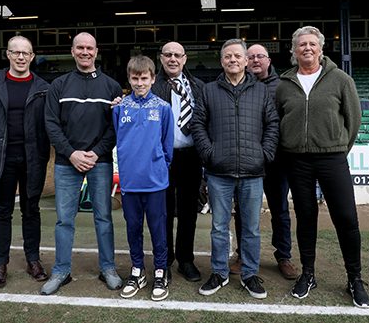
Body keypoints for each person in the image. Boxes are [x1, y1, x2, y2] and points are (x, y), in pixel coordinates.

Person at [275, 25, 369, 308]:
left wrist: (336, 147)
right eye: (301, 44)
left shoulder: (340, 79)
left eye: (311, 44)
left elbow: (352, 121)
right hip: (297, 160)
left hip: (332, 158)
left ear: (320, 48)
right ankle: (308, 273)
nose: (306, 48)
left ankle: (354, 278)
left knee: (346, 218)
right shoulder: (284, 84)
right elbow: (280, 120)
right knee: (305, 217)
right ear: (293, 50)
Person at [191, 38, 279, 299]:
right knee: (219, 227)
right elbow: (197, 125)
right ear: (222, 61)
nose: (233, 60)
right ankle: (219, 272)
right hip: (219, 172)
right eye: (227, 56)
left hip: (253, 172)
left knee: (251, 228)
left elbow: (272, 124)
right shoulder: (208, 91)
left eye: (237, 56)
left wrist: (264, 155)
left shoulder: (261, 91)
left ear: (245, 60)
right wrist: (209, 154)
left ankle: (250, 274)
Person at [42, 32, 123, 295]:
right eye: (80, 48)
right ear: (73, 51)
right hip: (67, 163)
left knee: (103, 218)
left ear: (96, 52)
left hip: (99, 162)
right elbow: (51, 124)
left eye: (89, 48)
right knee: (65, 220)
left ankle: (108, 268)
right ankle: (61, 271)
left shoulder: (111, 86)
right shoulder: (59, 85)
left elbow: (114, 127)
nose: (85, 52)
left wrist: (96, 152)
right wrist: (71, 153)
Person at [0, 35, 51, 289]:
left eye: (25, 53)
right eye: (15, 52)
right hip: (2, 159)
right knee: (2, 211)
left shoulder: (44, 88)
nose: (20, 57)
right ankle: (0, 265)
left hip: (32, 157)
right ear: (7, 55)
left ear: (32, 56)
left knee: (32, 211)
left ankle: (33, 260)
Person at [229, 44, 298, 280]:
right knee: (243, 211)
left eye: (261, 56)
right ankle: (243, 255)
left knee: (279, 209)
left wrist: (269, 151)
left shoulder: (282, 87)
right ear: (245, 61)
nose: (256, 60)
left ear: (269, 61)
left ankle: (284, 256)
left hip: (276, 160)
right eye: (251, 56)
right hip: (245, 161)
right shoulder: (239, 86)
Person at [113, 55, 174, 301]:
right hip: (129, 182)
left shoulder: (163, 108)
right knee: (133, 228)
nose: (140, 83)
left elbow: (167, 146)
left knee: (159, 229)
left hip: (156, 182)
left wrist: (158, 166)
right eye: (135, 78)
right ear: (129, 78)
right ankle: (137, 270)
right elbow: (120, 141)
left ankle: (160, 271)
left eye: (144, 78)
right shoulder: (119, 108)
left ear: (153, 78)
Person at [151, 41, 205, 283]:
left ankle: (186, 259)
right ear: (161, 58)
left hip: (191, 156)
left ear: (185, 59)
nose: (173, 59)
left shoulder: (198, 87)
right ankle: (164, 260)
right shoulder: (151, 86)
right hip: (162, 157)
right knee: (162, 211)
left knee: (187, 212)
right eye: (168, 55)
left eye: (177, 55)